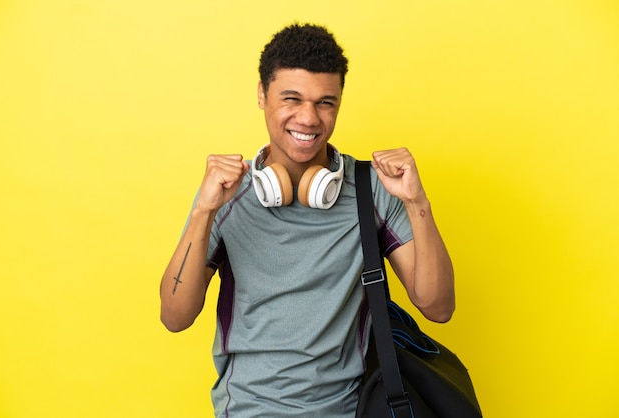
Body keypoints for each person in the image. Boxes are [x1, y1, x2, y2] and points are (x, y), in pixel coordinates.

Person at [160, 23, 455, 417]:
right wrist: (203, 211)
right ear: (262, 95)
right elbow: (175, 317)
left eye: (325, 102)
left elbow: (438, 307)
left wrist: (418, 201)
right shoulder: (228, 193)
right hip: (249, 410)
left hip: (348, 411)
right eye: (292, 98)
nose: (309, 118)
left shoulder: (374, 190)